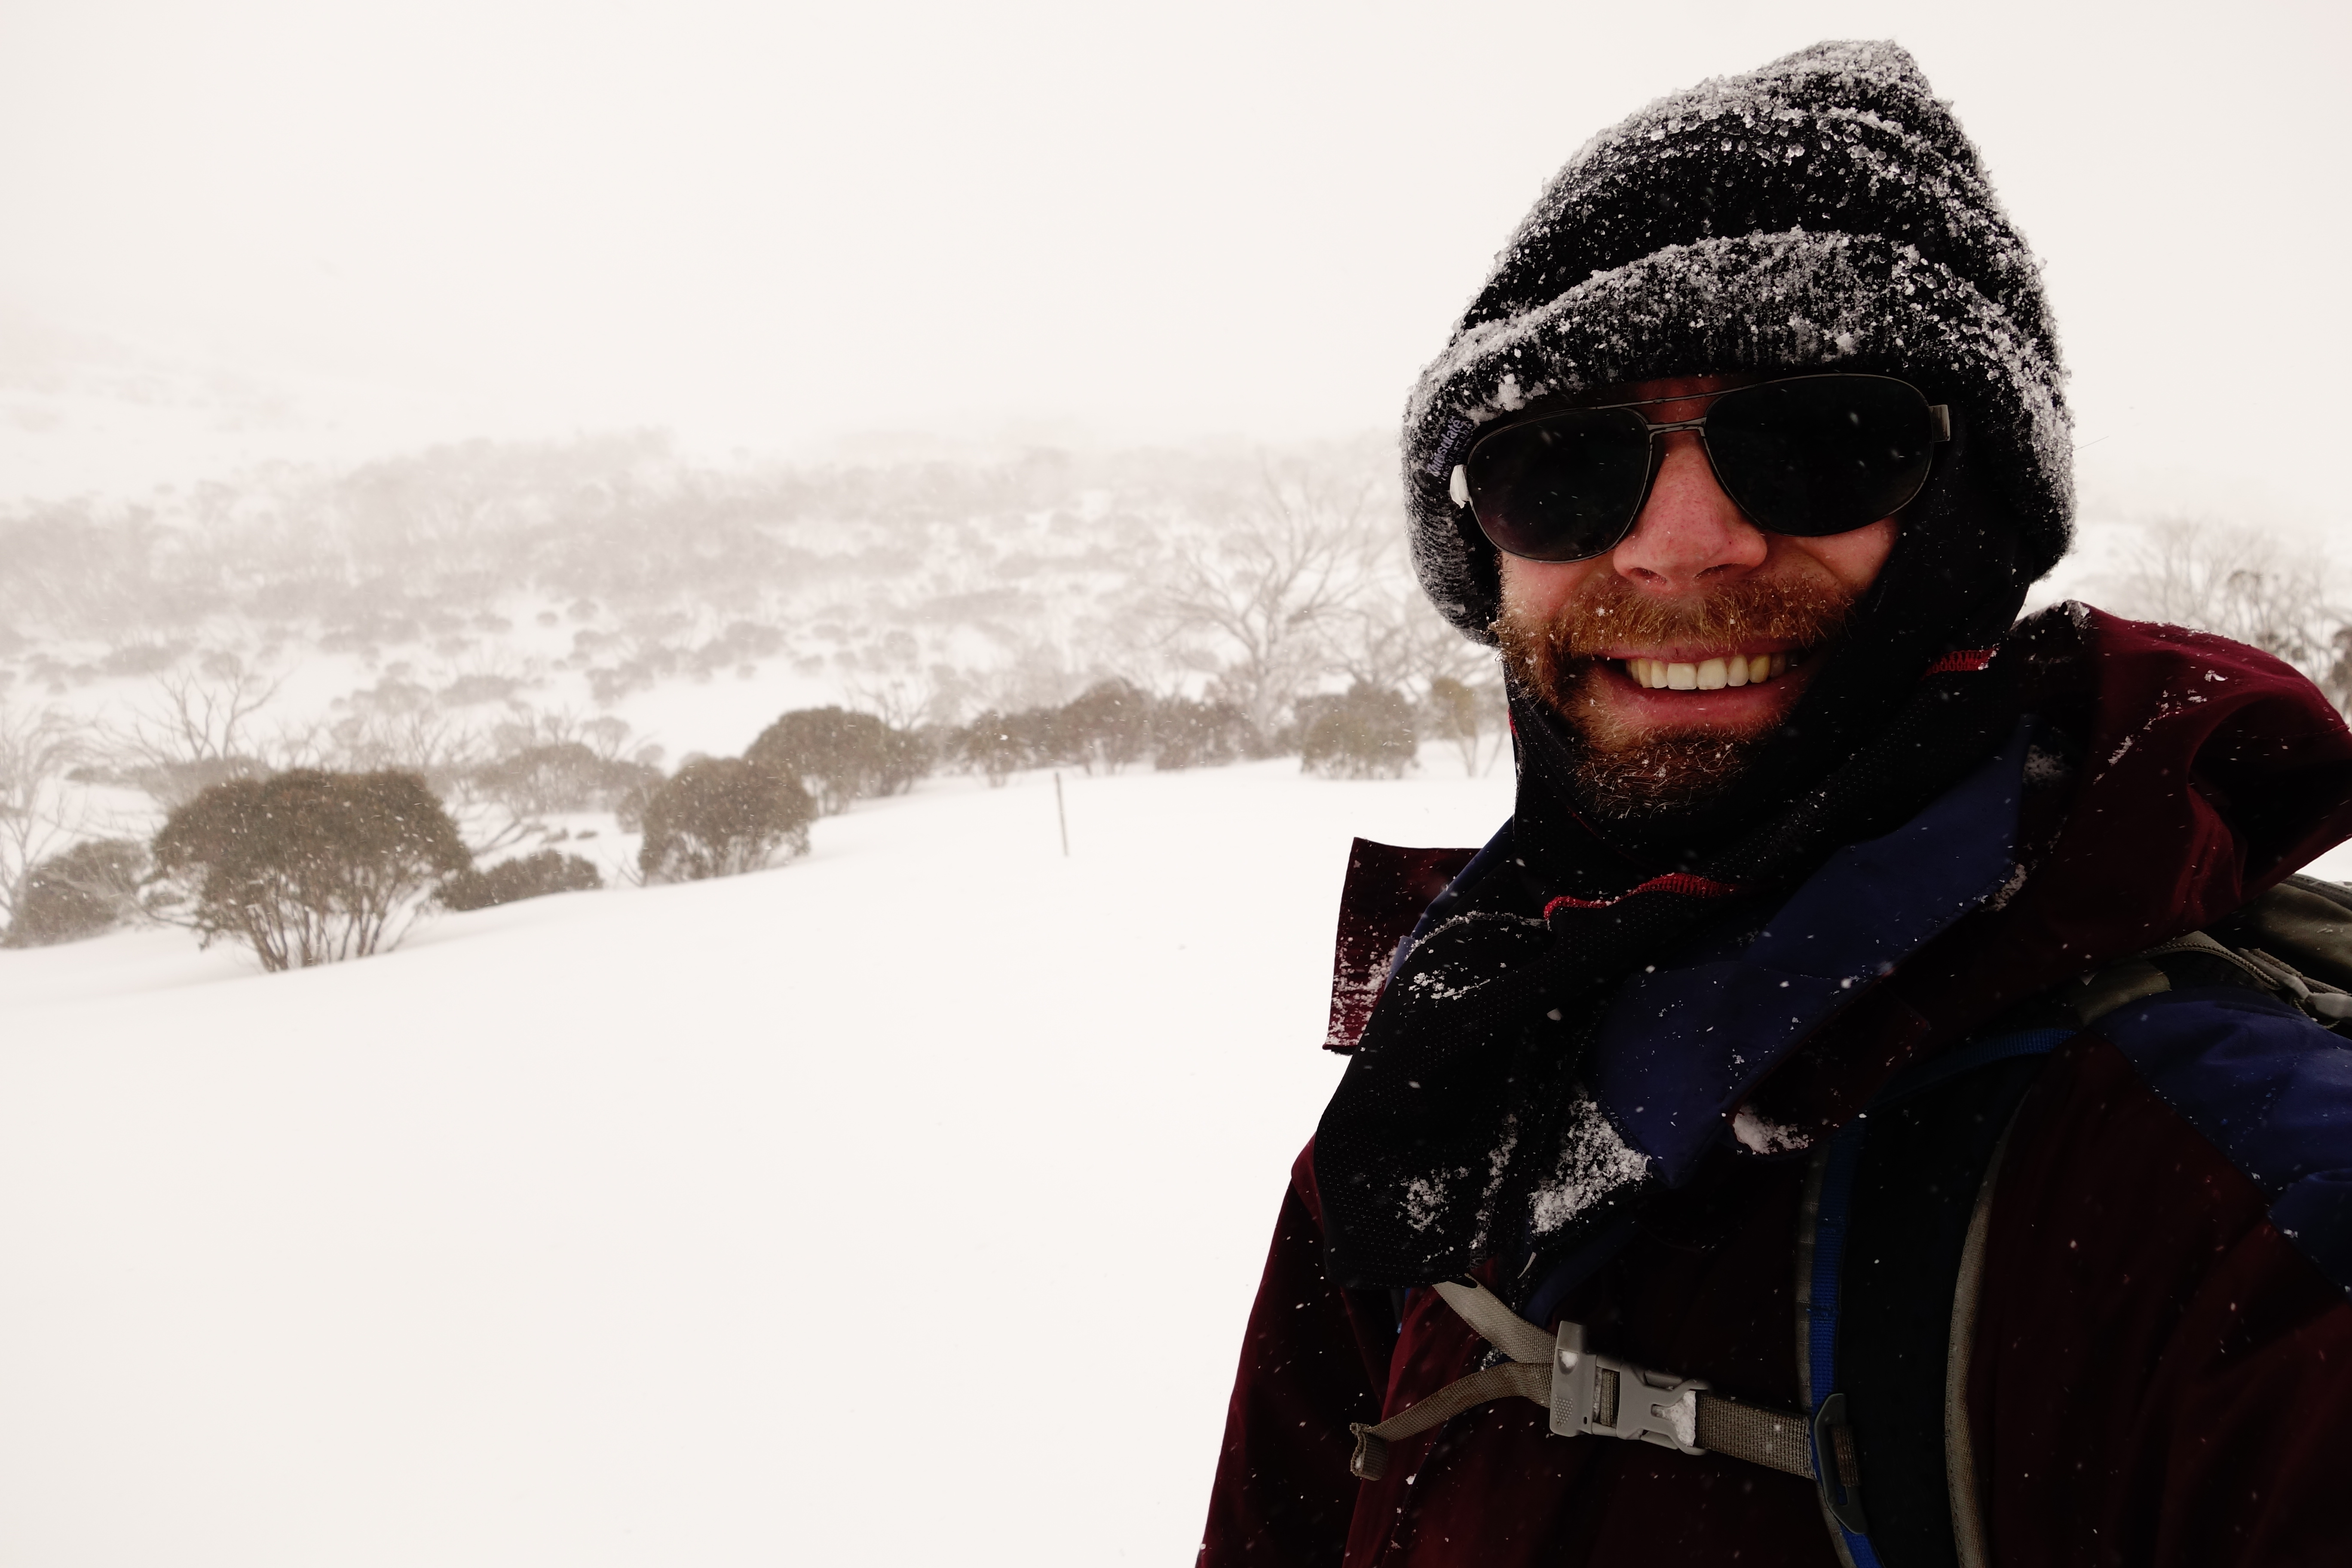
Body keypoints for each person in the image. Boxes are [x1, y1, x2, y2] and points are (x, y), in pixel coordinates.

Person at [1199, 41, 2352, 1568]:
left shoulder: (2240, 1201)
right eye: (1563, 465)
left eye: (1817, 443)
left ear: (1979, 518)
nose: (1681, 545)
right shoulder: (1448, 1082)